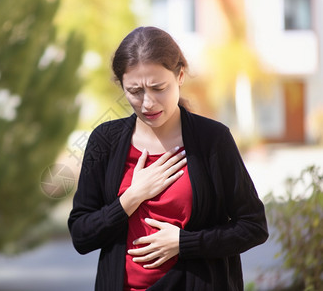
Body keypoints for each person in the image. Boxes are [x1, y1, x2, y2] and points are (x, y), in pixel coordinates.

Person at [68, 26, 268, 291]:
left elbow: (253, 227)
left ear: (180, 76)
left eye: (158, 87)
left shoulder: (212, 140)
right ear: (122, 85)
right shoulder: (105, 140)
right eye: (135, 91)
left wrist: (184, 243)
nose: (147, 103)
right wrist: (131, 198)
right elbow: (82, 235)